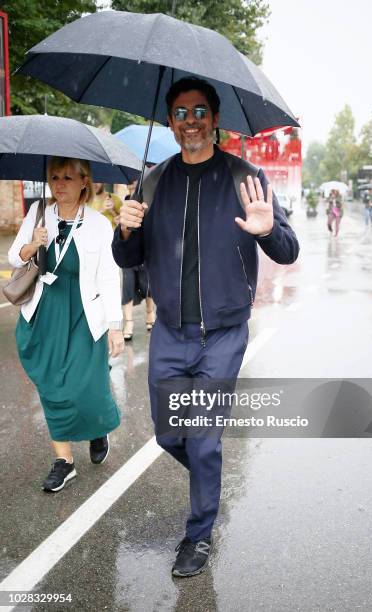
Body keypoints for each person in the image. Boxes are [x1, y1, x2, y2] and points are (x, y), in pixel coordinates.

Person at [112, 77, 299, 577]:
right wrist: (126, 227)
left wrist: (268, 230)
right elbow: (126, 257)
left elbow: (289, 249)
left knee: (203, 436)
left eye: (199, 112)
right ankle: (208, 478)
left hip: (223, 333)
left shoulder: (246, 177)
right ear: (170, 122)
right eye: (179, 112)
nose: (189, 121)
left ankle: (198, 534)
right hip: (170, 332)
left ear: (215, 120)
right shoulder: (151, 181)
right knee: (169, 435)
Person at [9, 157, 125, 493]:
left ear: (84, 182)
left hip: (83, 313)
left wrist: (115, 325)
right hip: (45, 310)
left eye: (68, 178)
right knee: (52, 386)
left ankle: (97, 426)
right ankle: (64, 462)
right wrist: (34, 244)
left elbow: (108, 275)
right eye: (54, 177)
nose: (60, 184)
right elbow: (15, 257)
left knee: (85, 386)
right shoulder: (38, 214)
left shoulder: (100, 224)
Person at [122, 180, 155, 340]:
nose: (131, 184)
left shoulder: (149, 199)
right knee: (127, 287)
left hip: (146, 250)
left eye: (134, 181)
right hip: (129, 251)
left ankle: (150, 314)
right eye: (129, 182)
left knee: (146, 285)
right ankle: (129, 323)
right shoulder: (124, 201)